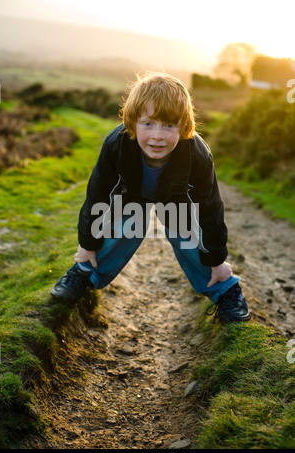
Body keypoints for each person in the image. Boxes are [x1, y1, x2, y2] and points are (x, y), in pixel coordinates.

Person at [51, 72, 250, 324]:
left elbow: (209, 208)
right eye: (148, 124)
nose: (157, 135)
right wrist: (87, 243)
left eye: (169, 125)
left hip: (175, 201)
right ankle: (82, 273)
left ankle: (225, 289)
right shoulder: (117, 143)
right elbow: (97, 194)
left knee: (186, 232)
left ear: (185, 126)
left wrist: (217, 260)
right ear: (132, 123)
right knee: (125, 227)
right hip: (131, 196)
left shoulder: (197, 154)